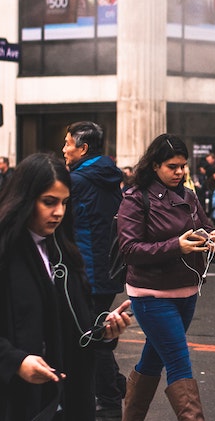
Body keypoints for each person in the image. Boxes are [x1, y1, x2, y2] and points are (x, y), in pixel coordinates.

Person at [0, 153, 131, 421]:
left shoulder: (65, 252)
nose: (58, 212)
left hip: (66, 397)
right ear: (25, 198)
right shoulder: (6, 252)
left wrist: (103, 330)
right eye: (49, 202)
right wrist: (15, 362)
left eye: (64, 202)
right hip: (17, 400)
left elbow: (74, 323)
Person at [116, 134, 215, 420]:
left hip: (187, 292)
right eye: (172, 166)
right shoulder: (135, 198)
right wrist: (177, 246)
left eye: (183, 166)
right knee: (178, 363)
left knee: (152, 360)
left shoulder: (188, 195)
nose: (179, 172)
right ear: (155, 165)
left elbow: (207, 225)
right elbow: (129, 249)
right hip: (151, 296)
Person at [62, 121, 127, 418]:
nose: (64, 149)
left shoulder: (77, 181)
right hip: (108, 269)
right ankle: (114, 385)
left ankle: (110, 398)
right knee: (95, 332)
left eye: (68, 143)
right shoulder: (109, 176)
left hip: (87, 272)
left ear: (83, 148)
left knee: (91, 336)